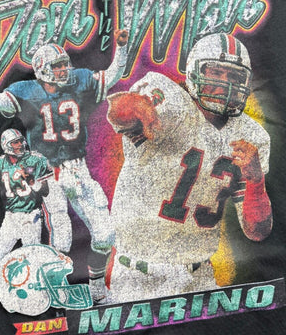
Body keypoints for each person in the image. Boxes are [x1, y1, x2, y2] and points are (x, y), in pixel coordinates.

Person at [106, 33, 272, 303]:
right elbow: (119, 109)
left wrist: (256, 181)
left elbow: (257, 231)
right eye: (215, 72)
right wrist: (137, 108)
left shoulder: (251, 136)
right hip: (138, 277)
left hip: (199, 276)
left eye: (235, 76)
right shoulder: (169, 100)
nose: (225, 84)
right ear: (194, 71)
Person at [0, 30, 128, 303]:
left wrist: (122, 47)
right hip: (47, 173)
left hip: (78, 169)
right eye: (58, 66)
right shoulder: (26, 91)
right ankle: (58, 291)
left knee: (105, 233)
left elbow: (112, 76)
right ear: (43, 69)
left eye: (65, 64)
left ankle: (97, 288)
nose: (64, 70)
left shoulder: (79, 80)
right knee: (61, 235)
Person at [0, 129, 53, 272]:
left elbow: (45, 191)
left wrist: (31, 181)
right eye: (15, 142)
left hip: (32, 216)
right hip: (10, 217)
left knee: (33, 262)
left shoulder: (35, 160)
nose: (20, 145)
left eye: (21, 141)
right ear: (6, 145)